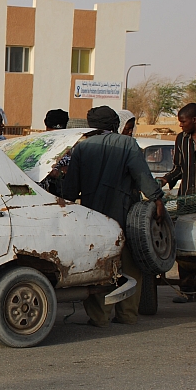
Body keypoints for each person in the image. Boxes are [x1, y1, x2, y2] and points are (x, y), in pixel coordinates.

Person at [63, 105, 165, 326]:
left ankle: (99, 317)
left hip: (94, 218)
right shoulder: (128, 144)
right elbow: (143, 177)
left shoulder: (81, 149)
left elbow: (70, 190)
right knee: (131, 265)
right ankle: (127, 315)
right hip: (127, 216)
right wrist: (157, 200)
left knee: (100, 265)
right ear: (114, 124)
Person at [159, 102, 196, 302]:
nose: (180, 125)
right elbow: (178, 168)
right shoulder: (181, 139)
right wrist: (165, 179)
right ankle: (185, 287)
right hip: (186, 199)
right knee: (184, 242)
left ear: (194, 120)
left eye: (182, 121)